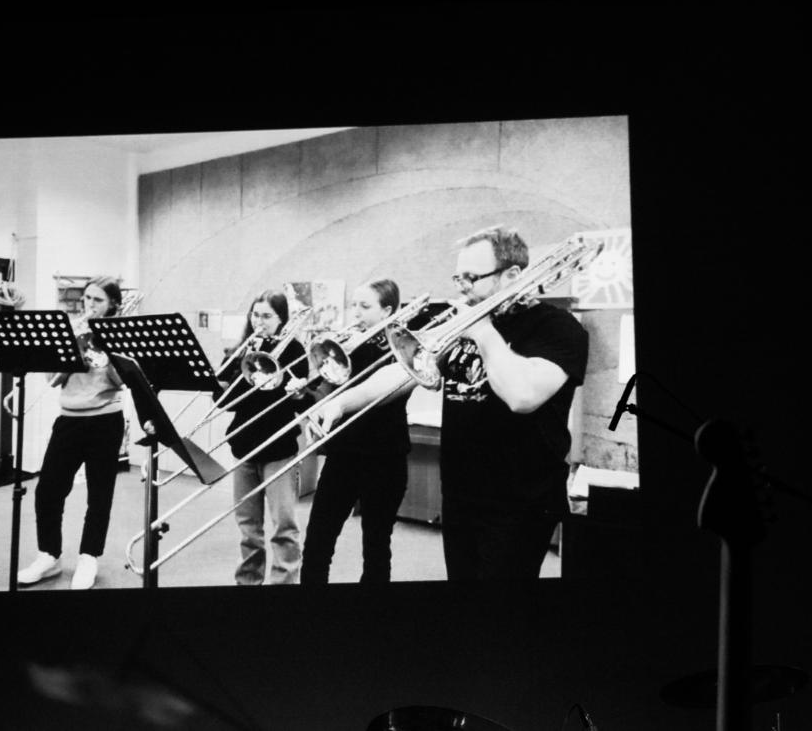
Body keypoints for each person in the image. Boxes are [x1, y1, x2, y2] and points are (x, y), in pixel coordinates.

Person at [317, 226, 588, 580]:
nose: (462, 288)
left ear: (512, 275)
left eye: (472, 278)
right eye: (458, 278)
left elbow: (522, 396)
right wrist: (340, 403)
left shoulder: (557, 327)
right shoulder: (459, 327)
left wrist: (484, 330)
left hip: (520, 503)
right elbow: (400, 374)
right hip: (461, 496)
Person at [301, 279, 415, 584]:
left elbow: (389, 390)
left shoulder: (402, 348)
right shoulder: (346, 346)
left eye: (364, 306)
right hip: (343, 456)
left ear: (387, 310)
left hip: (386, 458)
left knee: (376, 546)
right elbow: (326, 398)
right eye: (354, 305)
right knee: (317, 542)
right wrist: (311, 382)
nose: (356, 313)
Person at [17, 277, 127, 590]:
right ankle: (49, 556)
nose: (90, 305)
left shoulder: (118, 334)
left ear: (112, 305)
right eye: (87, 298)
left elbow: (121, 381)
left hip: (105, 420)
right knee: (48, 491)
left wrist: (102, 350)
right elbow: (53, 380)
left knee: (99, 495)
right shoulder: (70, 329)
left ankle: (89, 558)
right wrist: (72, 351)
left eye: (98, 300)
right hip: (69, 419)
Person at [216, 290, 311, 585]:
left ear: (281, 319)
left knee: (284, 525)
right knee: (248, 527)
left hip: (278, 448)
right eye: (255, 315)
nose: (259, 321)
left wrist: (299, 393)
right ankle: (248, 581)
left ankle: (283, 585)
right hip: (244, 446)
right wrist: (235, 367)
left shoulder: (294, 350)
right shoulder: (240, 350)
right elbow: (224, 402)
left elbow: (302, 403)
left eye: (267, 316)